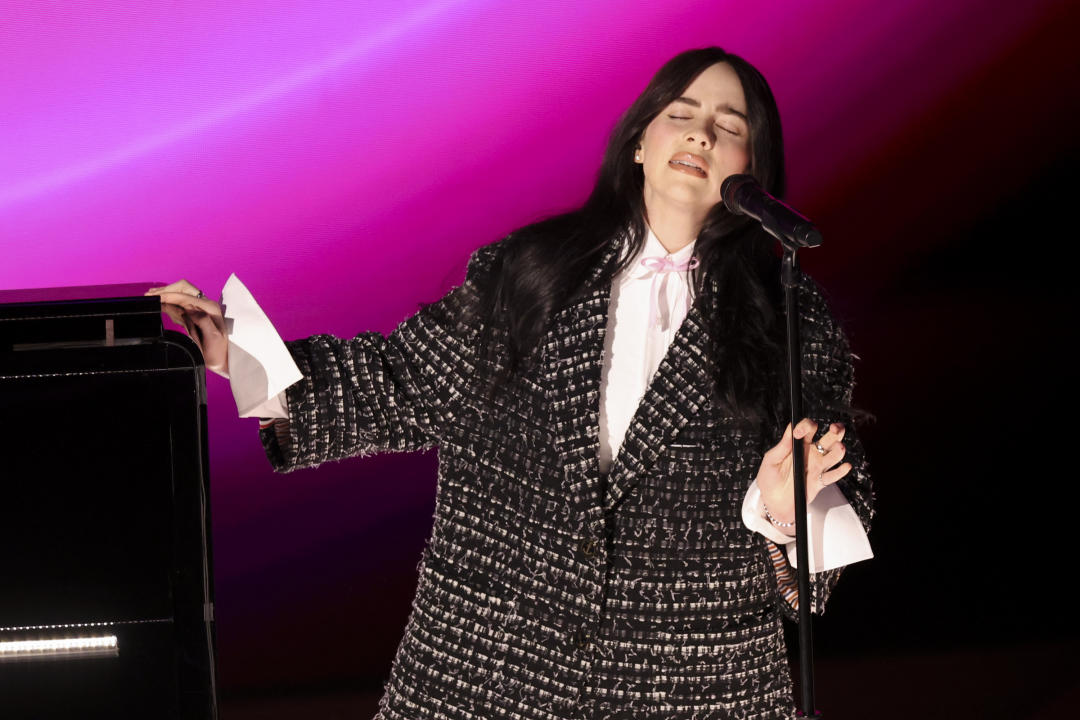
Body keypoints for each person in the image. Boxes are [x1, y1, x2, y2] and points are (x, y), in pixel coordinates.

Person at [149, 46, 872, 720]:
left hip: (696, 688)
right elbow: (397, 381)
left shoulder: (790, 321)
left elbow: (821, 550)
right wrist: (234, 349)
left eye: (729, 126)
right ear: (640, 143)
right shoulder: (531, 273)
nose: (702, 135)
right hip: (489, 672)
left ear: (755, 171)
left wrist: (780, 512)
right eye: (680, 114)